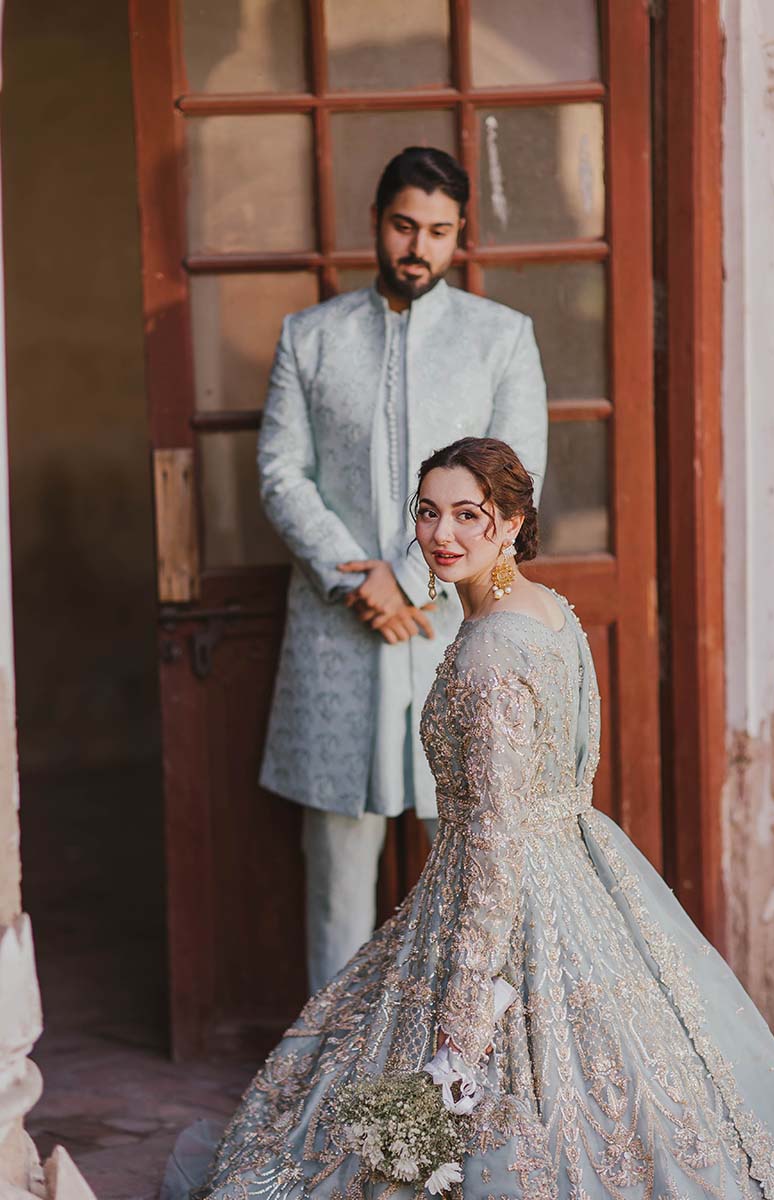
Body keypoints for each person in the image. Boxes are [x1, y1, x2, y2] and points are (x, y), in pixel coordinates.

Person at [164, 438, 774, 1200]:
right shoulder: (551, 611)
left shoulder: (488, 656)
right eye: (429, 513)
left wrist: (461, 1023)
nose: (443, 535)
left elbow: (496, 844)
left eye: (470, 515)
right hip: (578, 862)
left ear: (512, 523)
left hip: (507, 886)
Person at [257, 147, 548, 991]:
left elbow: (514, 483)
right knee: (336, 877)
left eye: (440, 231)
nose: (419, 247)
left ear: (460, 236)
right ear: (377, 223)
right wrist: (359, 580)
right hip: (339, 633)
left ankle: (464, 1055)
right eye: (404, 226)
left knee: (475, 864)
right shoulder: (311, 337)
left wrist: (406, 572)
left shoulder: (500, 338)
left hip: (460, 633)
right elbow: (280, 473)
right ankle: (330, 1062)